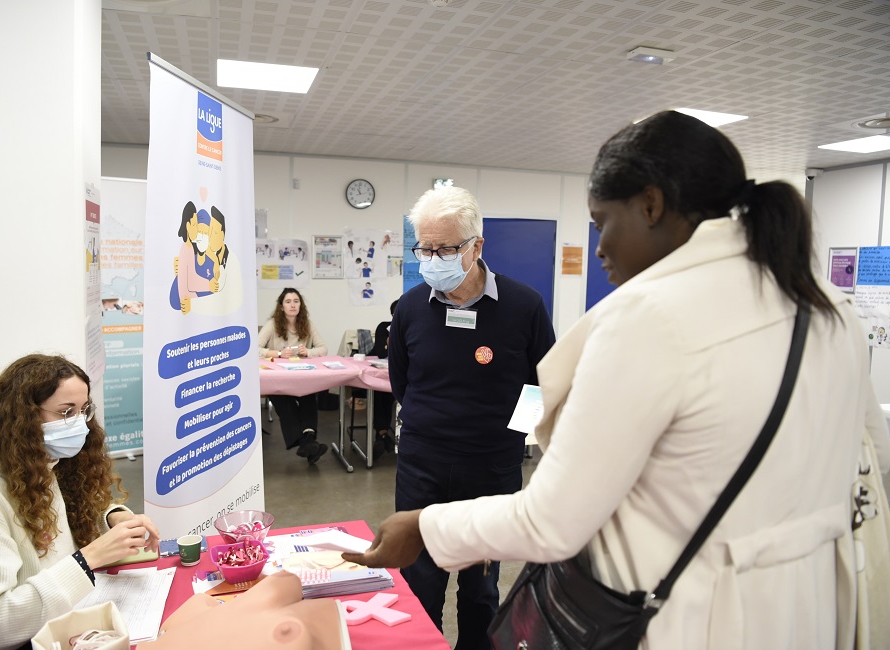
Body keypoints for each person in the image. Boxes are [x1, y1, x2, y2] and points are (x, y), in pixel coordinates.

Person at [344, 111, 890, 649]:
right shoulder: (827, 308)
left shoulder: (646, 320)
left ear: (650, 205)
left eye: (603, 221)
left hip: (698, 614)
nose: (599, 248)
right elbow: (876, 461)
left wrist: (427, 524)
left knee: (481, 596)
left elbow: (553, 520)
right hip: (813, 607)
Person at [372, 186, 556, 648]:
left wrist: (510, 440)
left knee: (480, 589)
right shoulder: (411, 309)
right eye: (425, 248)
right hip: (422, 468)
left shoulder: (524, 306)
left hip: (491, 471)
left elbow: (542, 384)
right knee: (420, 584)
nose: (434, 258)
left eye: (446, 248)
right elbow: (402, 384)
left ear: (477, 246)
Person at [0, 354, 161, 650]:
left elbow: (71, 525)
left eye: (84, 410)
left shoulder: (45, 466)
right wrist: (87, 560)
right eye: (65, 413)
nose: (79, 424)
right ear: (24, 417)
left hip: (57, 630)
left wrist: (112, 518)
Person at [258, 288, 329, 465]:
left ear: (300, 305)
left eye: (296, 301)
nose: (292, 305)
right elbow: (253, 348)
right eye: (288, 301)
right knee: (284, 401)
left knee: (309, 397)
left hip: (300, 375)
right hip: (277, 377)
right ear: (281, 306)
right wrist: (278, 353)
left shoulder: (307, 323)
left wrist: (309, 352)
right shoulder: (272, 324)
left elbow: (323, 349)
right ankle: (308, 443)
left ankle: (308, 443)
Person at [370, 299, 398, 460]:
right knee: (380, 391)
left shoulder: (415, 327)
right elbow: (380, 352)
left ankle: (386, 436)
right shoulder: (384, 328)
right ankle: (382, 434)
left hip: (404, 379)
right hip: (383, 375)